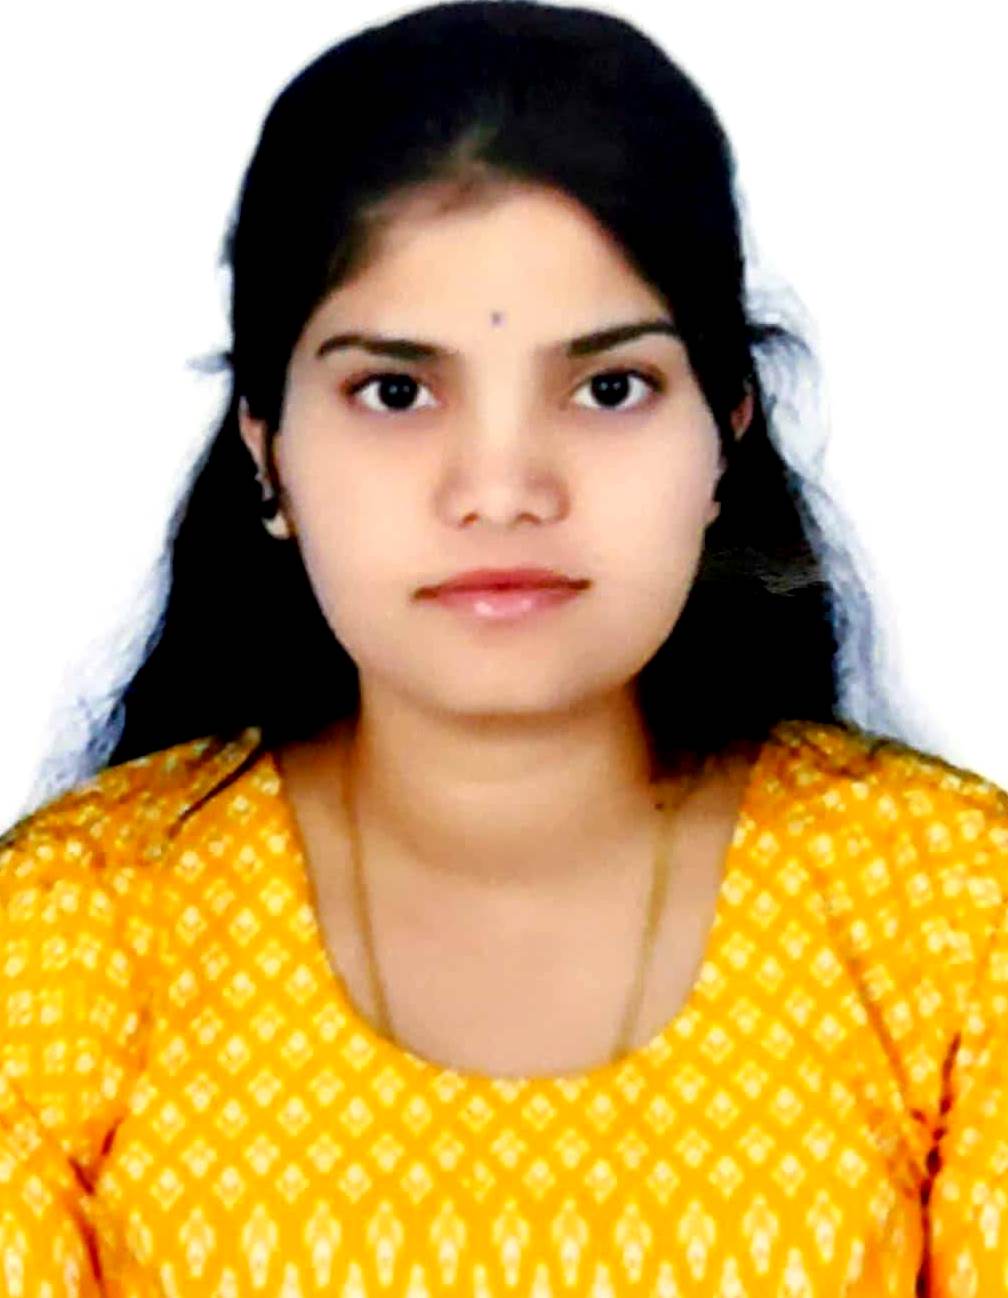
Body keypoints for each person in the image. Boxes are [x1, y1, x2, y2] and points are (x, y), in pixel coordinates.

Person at [2, 3, 1005, 1294]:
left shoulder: (953, 916)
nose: (502, 491)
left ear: (725, 430)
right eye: (396, 392)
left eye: (607, 388)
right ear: (269, 451)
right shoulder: (69, 940)